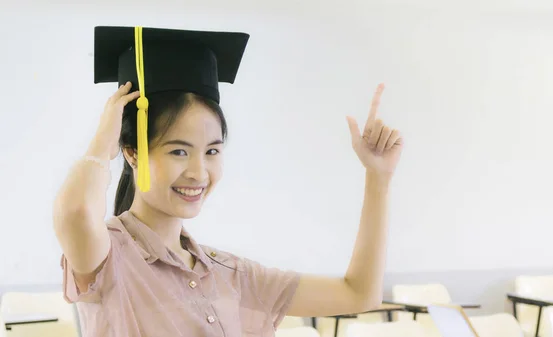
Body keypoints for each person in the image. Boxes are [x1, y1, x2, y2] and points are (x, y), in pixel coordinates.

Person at [52, 26, 404, 337]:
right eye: (178, 151)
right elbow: (77, 213)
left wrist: (379, 177)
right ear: (131, 152)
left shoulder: (229, 274)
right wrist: (103, 140)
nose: (199, 172)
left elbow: (360, 293)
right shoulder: (109, 257)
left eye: (212, 151)